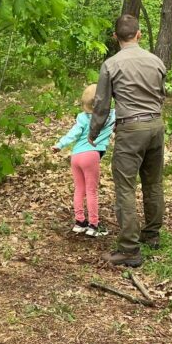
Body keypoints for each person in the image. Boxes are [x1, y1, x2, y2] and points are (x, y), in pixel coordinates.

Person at [89, 14, 167, 267]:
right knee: (153, 182)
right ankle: (152, 234)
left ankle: (129, 249)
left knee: (125, 187)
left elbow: (101, 104)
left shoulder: (111, 65)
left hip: (131, 129)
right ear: (139, 34)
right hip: (156, 125)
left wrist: (93, 132)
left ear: (115, 37)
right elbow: (161, 94)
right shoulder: (156, 62)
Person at [54, 83, 115, 237]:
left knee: (79, 189)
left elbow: (72, 134)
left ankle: (80, 222)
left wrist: (59, 145)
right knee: (91, 191)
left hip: (76, 156)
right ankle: (94, 225)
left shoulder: (82, 118)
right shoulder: (111, 116)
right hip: (91, 155)